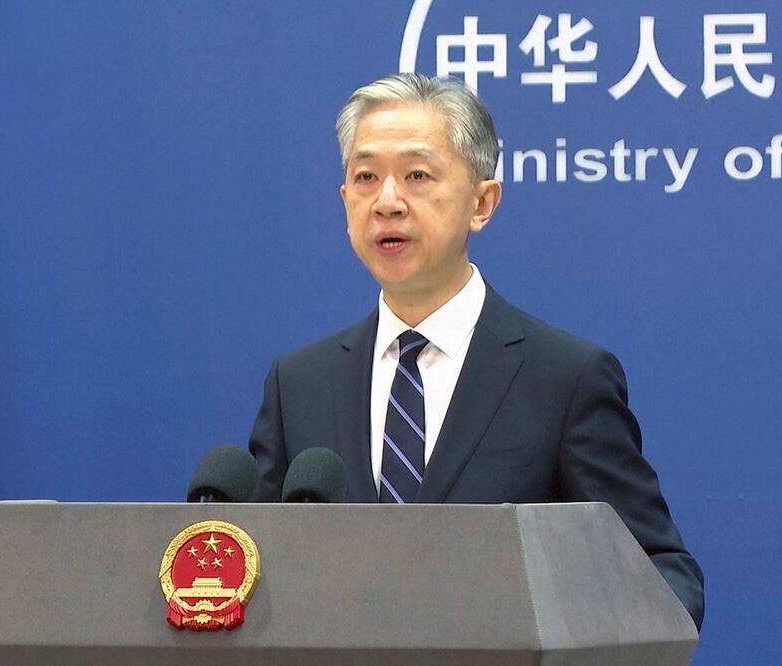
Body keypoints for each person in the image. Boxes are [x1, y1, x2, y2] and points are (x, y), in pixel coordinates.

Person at [247, 73, 704, 630]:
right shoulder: (298, 385)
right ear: (345, 201)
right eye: (365, 177)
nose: (387, 201)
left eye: (417, 175)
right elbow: (251, 567)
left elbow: (660, 576)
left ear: (482, 202)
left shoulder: (564, 379)